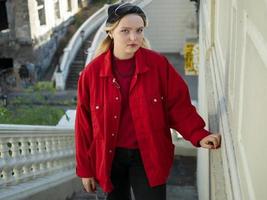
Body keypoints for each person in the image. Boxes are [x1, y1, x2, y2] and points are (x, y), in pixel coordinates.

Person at [75, 2, 221, 200]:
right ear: (111, 32)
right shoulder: (92, 73)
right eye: (125, 31)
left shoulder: (158, 65)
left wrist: (198, 134)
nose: (134, 37)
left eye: (139, 30)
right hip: (109, 157)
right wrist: (85, 169)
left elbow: (177, 106)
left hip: (148, 154)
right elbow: (84, 125)